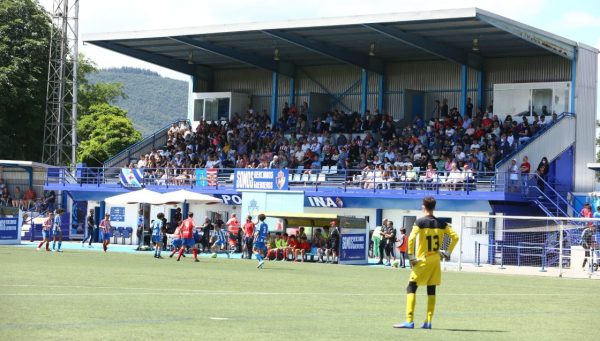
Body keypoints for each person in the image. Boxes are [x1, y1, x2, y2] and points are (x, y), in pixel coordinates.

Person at [394, 196, 459, 329]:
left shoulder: (420, 222)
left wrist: (411, 257)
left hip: (422, 259)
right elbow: (455, 237)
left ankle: (409, 320)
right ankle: (428, 321)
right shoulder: (442, 224)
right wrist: (446, 253)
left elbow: (411, 238)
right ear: (434, 207)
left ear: (423, 206)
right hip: (435, 259)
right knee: (431, 288)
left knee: (411, 286)